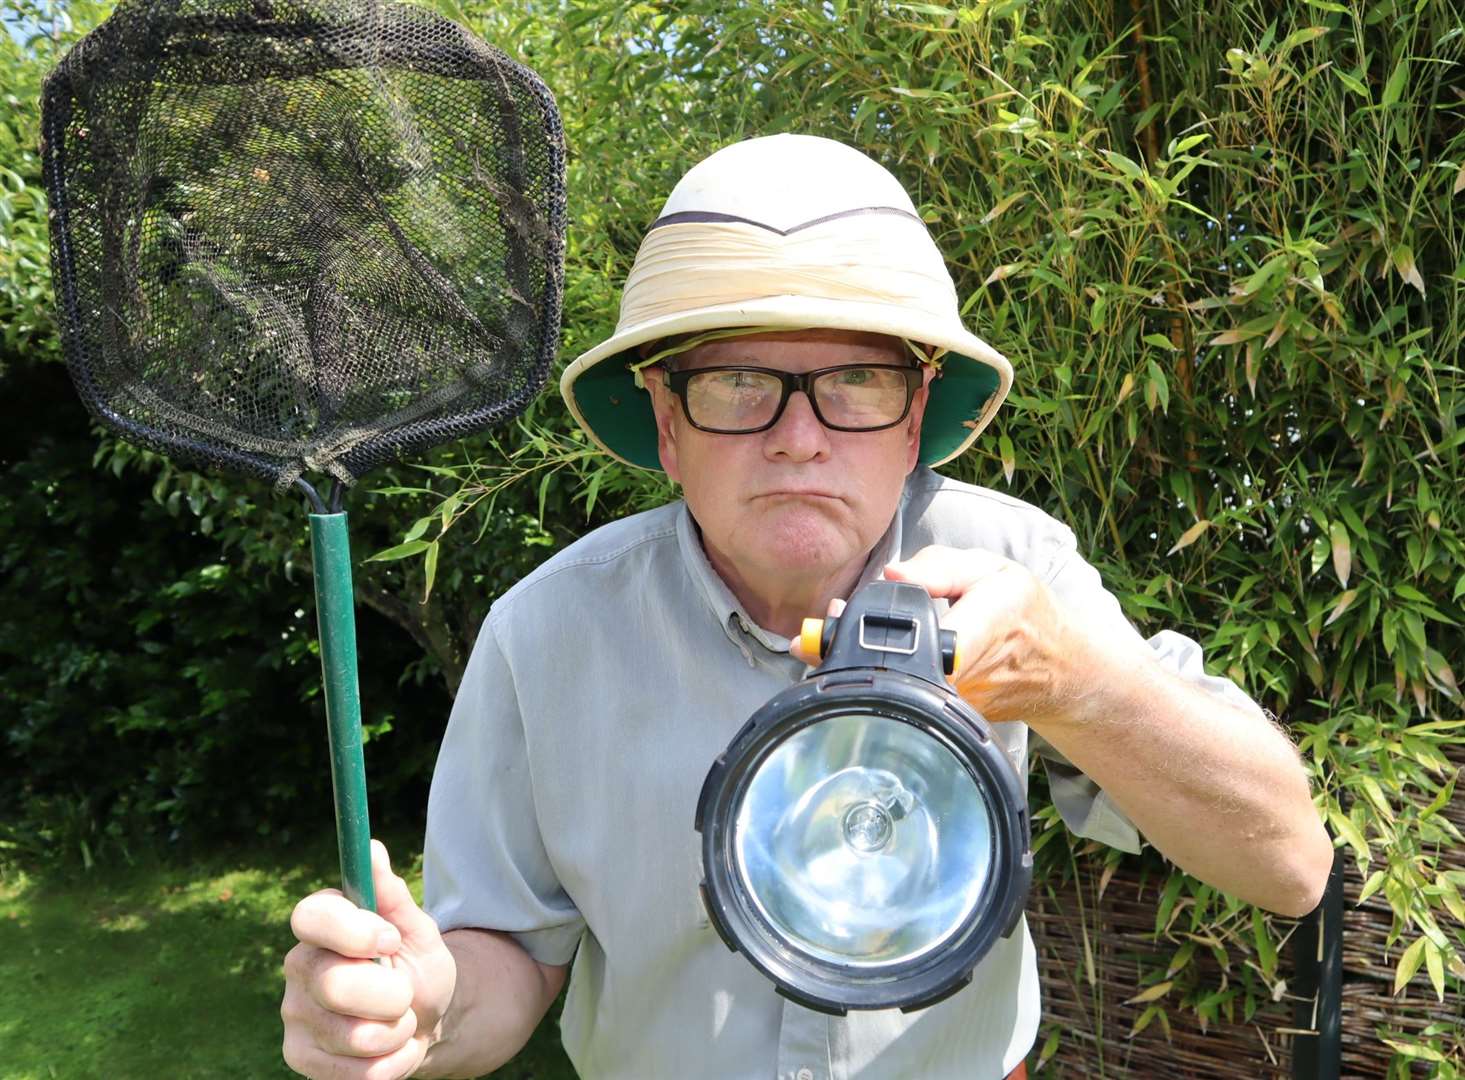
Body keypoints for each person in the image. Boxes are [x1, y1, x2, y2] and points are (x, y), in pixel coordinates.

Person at [280, 134, 1333, 1080]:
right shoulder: (548, 633)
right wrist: (420, 1007)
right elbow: (506, 954)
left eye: (858, 383)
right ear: (666, 424)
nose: (797, 437)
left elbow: (1288, 865)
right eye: (738, 383)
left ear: (916, 417)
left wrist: (1081, 685)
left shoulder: (1015, 568)